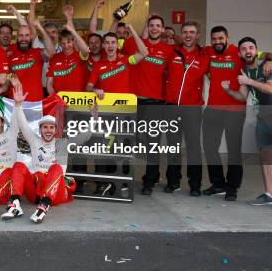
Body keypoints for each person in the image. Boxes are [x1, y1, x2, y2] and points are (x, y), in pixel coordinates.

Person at [202, 26, 272, 201]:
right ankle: (218, 183)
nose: (217, 41)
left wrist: (270, 61)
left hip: (235, 110)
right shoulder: (208, 51)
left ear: (228, 38)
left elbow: (270, 55)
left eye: (221, 38)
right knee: (209, 147)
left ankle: (232, 187)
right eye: (214, 39)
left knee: (234, 150)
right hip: (212, 108)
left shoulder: (240, 52)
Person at [0, 78, 75, 223]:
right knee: (18, 166)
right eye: (45, 127)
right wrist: (17, 104)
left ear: (56, 130)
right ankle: (15, 203)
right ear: (40, 130)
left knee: (56, 168)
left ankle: (44, 205)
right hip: (36, 193)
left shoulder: (61, 145)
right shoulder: (34, 140)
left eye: (51, 127)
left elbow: (60, 173)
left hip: (56, 194)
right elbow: (23, 125)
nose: (48, 130)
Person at [85, 27, 148, 195]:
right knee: (108, 147)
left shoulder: (127, 60)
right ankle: (108, 182)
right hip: (106, 113)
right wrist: (95, 91)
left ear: (117, 44)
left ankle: (124, 181)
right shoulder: (98, 65)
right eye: (107, 43)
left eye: (113, 42)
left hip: (126, 112)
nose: (110, 46)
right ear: (103, 46)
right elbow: (88, 87)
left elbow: (144, 52)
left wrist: (133, 32)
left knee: (125, 147)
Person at [236, 37, 272, 212]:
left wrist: (248, 82)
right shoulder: (245, 70)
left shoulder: (269, 67)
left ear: (257, 51)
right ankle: (269, 194)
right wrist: (227, 89)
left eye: (251, 48)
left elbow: (271, 89)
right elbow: (242, 96)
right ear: (240, 53)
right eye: (244, 49)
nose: (248, 51)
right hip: (263, 116)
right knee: (265, 154)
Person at [122, 14, 175, 195]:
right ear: (147, 26)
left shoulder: (168, 50)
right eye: (151, 25)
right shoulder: (131, 44)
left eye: (158, 26)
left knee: (153, 144)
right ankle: (124, 178)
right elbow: (111, 45)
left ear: (163, 29)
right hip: (132, 102)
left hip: (155, 103)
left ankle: (149, 182)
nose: (154, 28)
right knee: (127, 142)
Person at [163, 21, 209, 196]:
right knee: (173, 147)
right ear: (181, 35)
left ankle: (195, 185)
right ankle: (173, 182)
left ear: (197, 35)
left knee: (193, 148)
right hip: (171, 107)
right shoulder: (171, 52)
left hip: (192, 109)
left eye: (192, 32)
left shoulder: (205, 56)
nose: (188, 35)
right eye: (185, 32)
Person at [46, 5, 90, 94]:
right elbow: (49, 83)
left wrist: (72, 29)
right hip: (60, 103)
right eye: (63, 43)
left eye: (69, 42)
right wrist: (55, 98)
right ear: (59, 43)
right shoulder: (54, 58)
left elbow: (86, 50)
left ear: (74, 41)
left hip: (79, 102)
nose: (66, 46)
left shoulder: (80, 55)